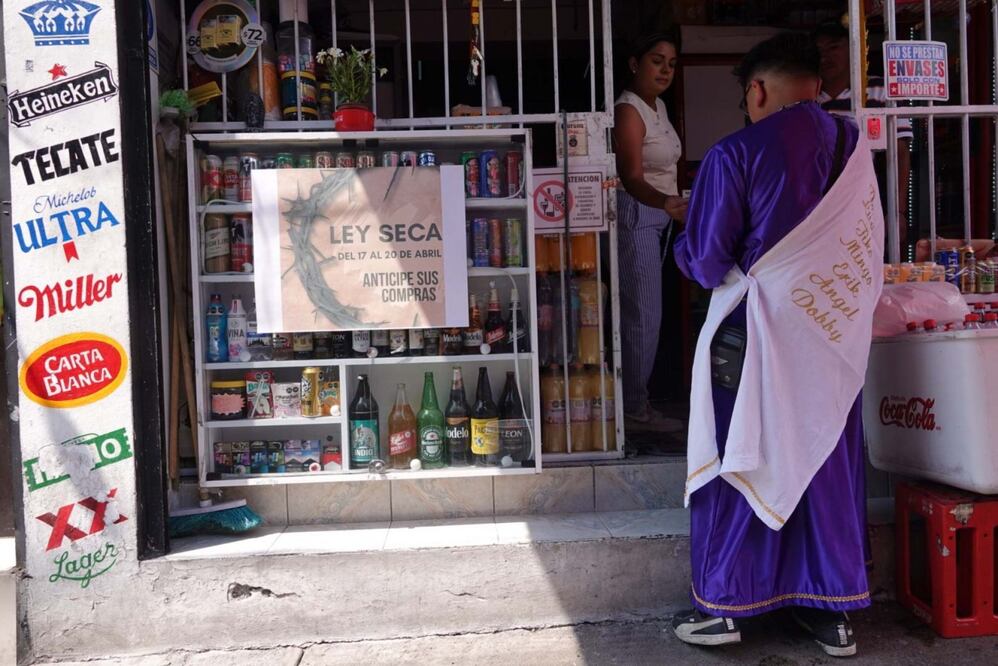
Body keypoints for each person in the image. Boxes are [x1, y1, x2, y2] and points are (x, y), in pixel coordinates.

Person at [671, 33, 884, 659]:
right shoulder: (855, 148)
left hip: (755, 335)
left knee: (743, 453)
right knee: (824, 457)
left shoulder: (735, 153)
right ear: (815, 85)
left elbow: (707, 261)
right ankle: (832, 614)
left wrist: (684, 237)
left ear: (757, 90)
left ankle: (725, 607)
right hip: (831, 333)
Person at [613, 33, 687, 433]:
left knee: (650, 313)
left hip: (660, 215)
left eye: (671, 64)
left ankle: (637, 402)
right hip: (638, 212)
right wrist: (664, 202)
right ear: (634, 63)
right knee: (642, 315)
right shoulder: (629, 110)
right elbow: (631, 177)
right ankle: (632, 409)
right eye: (656, 61)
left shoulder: (658, 106)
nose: (665, 70)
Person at [814, 19, 911, 245]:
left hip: (863, 201)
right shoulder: (805, 94)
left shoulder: (879, 90)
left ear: (853, 50)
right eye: (819, 51)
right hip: (814, 206)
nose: (825, 57)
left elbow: (899, 153)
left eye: (833, 47)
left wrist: (897, 211)